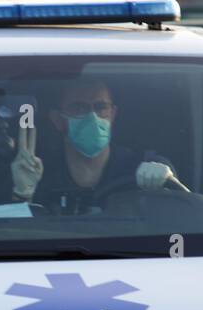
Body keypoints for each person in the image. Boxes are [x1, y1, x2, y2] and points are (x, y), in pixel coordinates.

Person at [10, 80, 181, 214]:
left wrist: (164, 179)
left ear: (112, 114)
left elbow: (178, 216)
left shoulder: (140, 165)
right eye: (79, 107)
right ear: (57, 119)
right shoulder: (34, 170)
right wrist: (23, 194)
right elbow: (11, 234)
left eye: (100, 107)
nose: (92, 116)